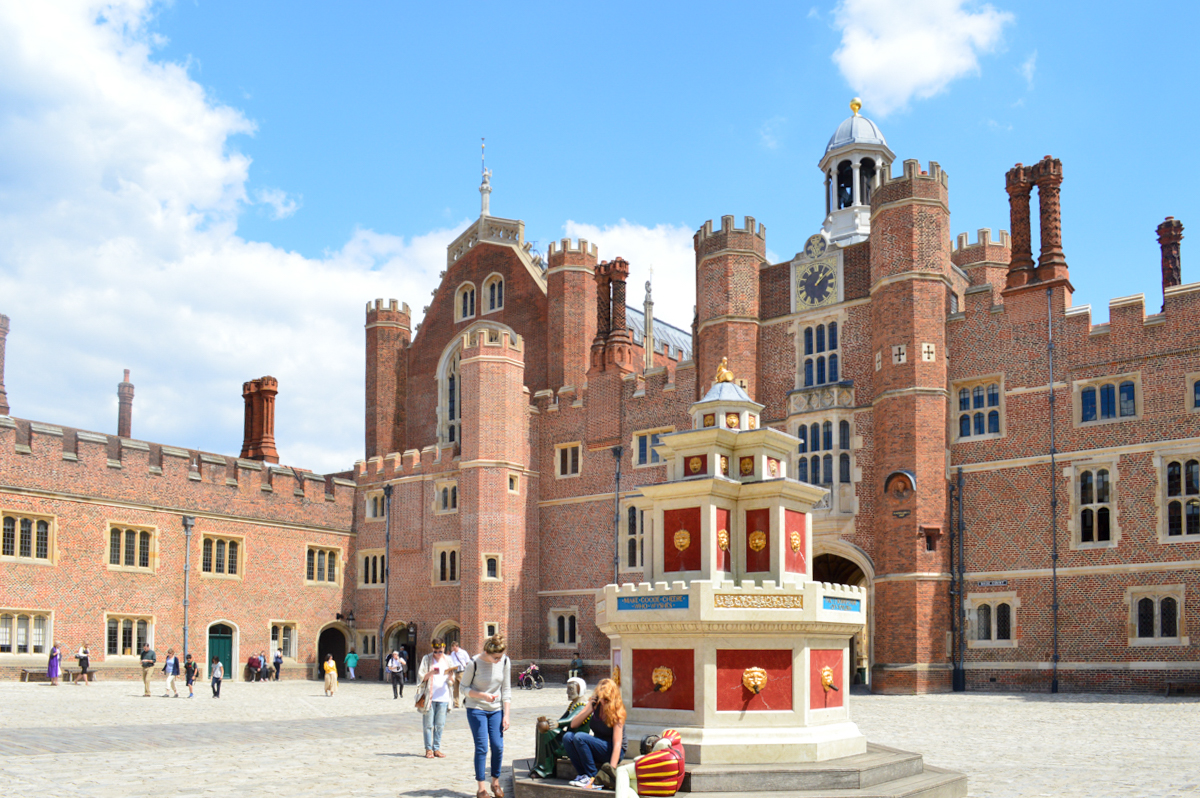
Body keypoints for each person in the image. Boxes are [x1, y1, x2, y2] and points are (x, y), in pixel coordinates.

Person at [462, 634, 512, 798]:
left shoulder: (505, 661)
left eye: (500, 656)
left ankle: (495, 782)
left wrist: (507, 715)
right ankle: (481, 788)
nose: (498, 660)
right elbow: (463, 688)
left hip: (496, 709)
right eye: (495, 657)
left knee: (498, 746)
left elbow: (506, 689)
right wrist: (481, 695)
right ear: (487, 652)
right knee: (482, 747)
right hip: (476, 708)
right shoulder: (474, 663)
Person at [563, 678, 626, 790]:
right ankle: (584, 775)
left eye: (606, 699)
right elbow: (573, 724)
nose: (603, 702)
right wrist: (589, 710)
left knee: (580, 737)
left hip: (612, 749)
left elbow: (617, 745)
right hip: (598, 745)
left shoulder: (617, 711)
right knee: (568, 737)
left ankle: (593, 777)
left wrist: (610, 771)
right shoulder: (594, 704)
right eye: (601, 698)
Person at [530, 677, 590, 778]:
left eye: (571, 689)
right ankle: (542, 766)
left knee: (546, 732)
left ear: (580, 690)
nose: (568, 692)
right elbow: (564, 718)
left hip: (573, 741)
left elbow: (571, 719)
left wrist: (557, 723)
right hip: (569, 737)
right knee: (542, 727)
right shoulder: (574, 704)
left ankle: (545, 770)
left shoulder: (582, 706)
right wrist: (550, 723)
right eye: (568, 689)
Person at [417, 637, 452, 758]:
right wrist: (431, 673)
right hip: (430, 697)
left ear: (444, 648)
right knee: (428, 725)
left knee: (440, 724)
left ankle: (436, 748)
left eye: (440, 651)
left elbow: (452, 681)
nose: (437, 654)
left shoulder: (448, 660)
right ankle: (428, 749)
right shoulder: (427, 659)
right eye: (435, 651)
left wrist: (451, 677)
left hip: (444, 697)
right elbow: (421, 677)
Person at [449, 639, 472, 708]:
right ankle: (456, 703)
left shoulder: (463, 652)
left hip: (462, 672)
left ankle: (468, 700)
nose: (453, 649)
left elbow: (467, 661)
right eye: (452, 647)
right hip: (455, 672)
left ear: (457, 646)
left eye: (454, 647)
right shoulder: (452, 654)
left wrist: (468, 671)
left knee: (464, 687)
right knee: (455, 689)